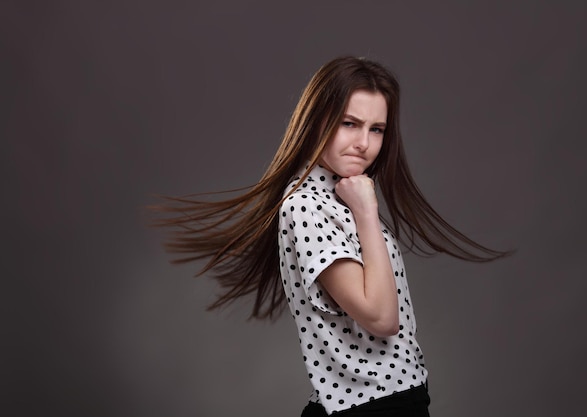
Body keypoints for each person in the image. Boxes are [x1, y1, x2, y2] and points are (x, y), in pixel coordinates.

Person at [151, 56, 510, 416]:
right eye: (349, 123)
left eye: (377, 129)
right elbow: (382, 318)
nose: (363, 143)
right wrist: (367, 212)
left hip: (395, 396)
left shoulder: (341, 196)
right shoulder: (307, 206)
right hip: (373, 404)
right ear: (316, 121)